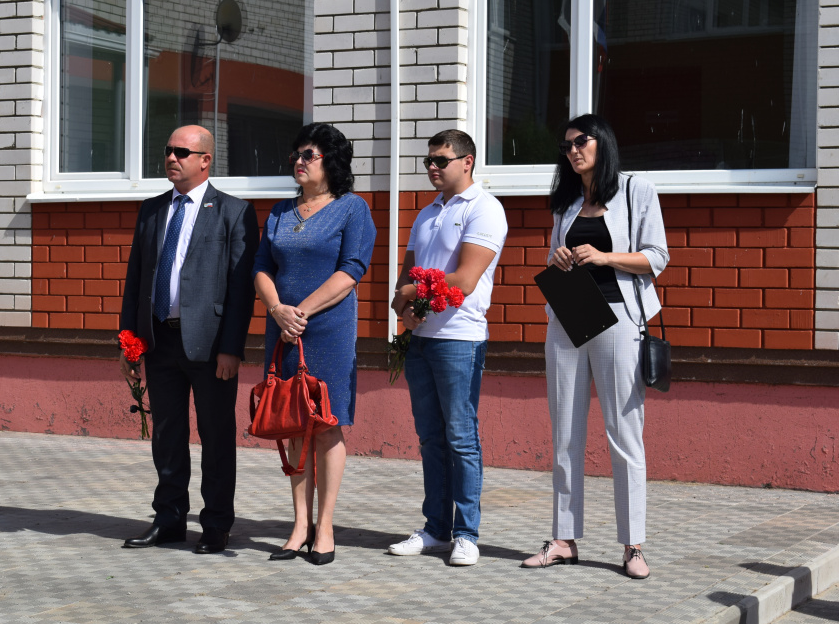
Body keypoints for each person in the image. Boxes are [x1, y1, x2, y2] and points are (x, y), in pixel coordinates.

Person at [521, 114, 668, 579]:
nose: (572, 151)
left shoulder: (635, 190)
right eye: (565, 146)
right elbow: (554, 257)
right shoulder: (566, 202)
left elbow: (657, 257)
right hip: (570, 313)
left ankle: (633, 545)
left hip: (620, 318)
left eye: (580, 142)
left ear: (601, 142)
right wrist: (559, 258)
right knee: (564, 432)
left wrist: (605, 257)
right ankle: (563, 539)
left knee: (624, 433)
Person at [119, 125, 259, 555]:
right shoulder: (152, 209)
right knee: (167, 435)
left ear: (205, 160)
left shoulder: (234, 211)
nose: (171, 158)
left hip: (211, 346)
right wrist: (129, 342)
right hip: (160, 340)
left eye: (182, 151)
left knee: (216, 437)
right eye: (168, 150)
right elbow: (136, 279)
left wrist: (231, 348)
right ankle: (169, 520)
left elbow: (241, 289)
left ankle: (215, 524)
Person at [253, 123, 376, 566]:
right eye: (296, 154)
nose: (299, 161)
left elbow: (352, 269)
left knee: (326, 422)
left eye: (309, 154)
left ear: (332, 161)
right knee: (292, 423)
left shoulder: (352, 208)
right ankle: (300, 525)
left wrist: (299, 312)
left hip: (327, 329)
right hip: (283, 328)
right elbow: (261, 266)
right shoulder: (280, 211)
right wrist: (277, 310)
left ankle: (325, 527)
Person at [388, 130, 508, 566]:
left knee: (460, 438)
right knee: (430, 439)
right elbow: (404, 281)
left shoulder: (484, 209)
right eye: (428, 161)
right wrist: (405, 312)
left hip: (460, 338)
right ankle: (436, 529)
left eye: (441, 159)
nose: (432, 167)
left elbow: (465, 279)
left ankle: (467, 534)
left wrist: (410, 294)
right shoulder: (427, 213)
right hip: (420, 340)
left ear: (467, 161)